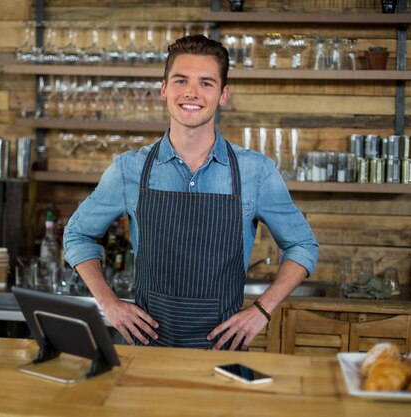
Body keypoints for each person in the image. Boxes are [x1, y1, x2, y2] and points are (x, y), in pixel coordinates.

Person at [63, 35, 319, 351]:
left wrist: (262, 309)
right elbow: (77, 235)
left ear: (223, 95)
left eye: (206, 83)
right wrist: (109, 304)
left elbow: (303, 245)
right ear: (163, 89)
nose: (191, 92)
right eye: (181, 80)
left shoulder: (256, 172)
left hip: (222, 354)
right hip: (147, 352)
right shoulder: (129, 169)